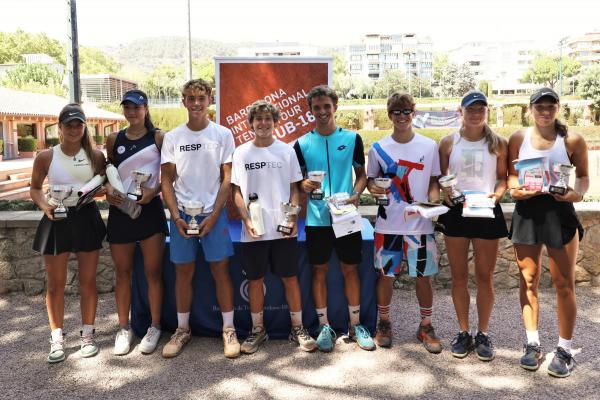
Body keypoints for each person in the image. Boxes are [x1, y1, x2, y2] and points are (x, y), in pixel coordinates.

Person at [508, 87, 588, 378]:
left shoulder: (573, 139)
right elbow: (511, 177)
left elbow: (583, 178)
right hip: (528, 214)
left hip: (560, 215)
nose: (544, 111)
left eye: (550, 106)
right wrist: (516, 191)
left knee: (564, 283)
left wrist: (575, 195)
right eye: (539, 106)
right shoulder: (518, 138)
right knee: (528, 281)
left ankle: (564, 350)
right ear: (530, 109)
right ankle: (533, 344)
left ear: (558, 108)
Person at [160, 79, 239, 359]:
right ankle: (182, 330)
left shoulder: (222, 134)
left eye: (201, 98)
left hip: (213, 214)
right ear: (183, 100)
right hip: (182, 215)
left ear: (209, 100)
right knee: (183, 273)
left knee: (221, 271)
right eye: (190, 98)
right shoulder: (173, 137)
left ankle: (228, 330)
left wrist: (215, 214)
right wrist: (174, 216)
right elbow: (166, 181)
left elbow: (227, 179)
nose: (196, 103)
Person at [231, 100, 317, 353]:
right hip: (254, 230)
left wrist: (291, 218)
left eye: (268, 118)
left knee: (290, 278)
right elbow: (236, 192)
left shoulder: (286, 151)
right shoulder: (241, 153)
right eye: (258, 119)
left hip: (283, 229)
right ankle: (258, 330)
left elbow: (294, 189)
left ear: (275, 122)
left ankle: (297, 328)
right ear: (251, 124)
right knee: (255, 281)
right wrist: (246, 220)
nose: (263, 123)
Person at [294, 85, 375, 352]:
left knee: (350, 269)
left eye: (326, 106)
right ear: (311, 111)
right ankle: (324, 326)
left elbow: (362, 175)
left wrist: (355, 195)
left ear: (335, 107)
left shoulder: (352, 138)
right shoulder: (302, 143)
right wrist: (304, 186)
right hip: (317, 219)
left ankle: (355, 325)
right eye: (316, 107)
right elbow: (298, 182)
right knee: (320, 270)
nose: (322, 112)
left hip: (346, 216)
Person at [367, 92, 443, 353]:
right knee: (386, 277)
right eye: (396, 112)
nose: (402, 117)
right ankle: (384, 322)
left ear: (414, 113)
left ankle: (426, 325)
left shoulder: (429, 146)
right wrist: (373, 188)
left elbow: (434, 181)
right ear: (389, 115)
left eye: (406, 111)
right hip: (388, 225)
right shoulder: (378, 148)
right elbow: (370, 181)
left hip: (420, 226)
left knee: (424, 278)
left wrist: (433, 206)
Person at [30, 103, 106, 363]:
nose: (74, 129)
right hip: (56, 219)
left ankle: (87, 335)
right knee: (55, 284)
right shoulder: (45, 157)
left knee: (87, 281)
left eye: (78, 124)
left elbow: (103, 186)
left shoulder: (95, 156)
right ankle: (57, 338)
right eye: (68, 125)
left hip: (86, 218)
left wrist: (103, 191)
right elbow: (36, 189)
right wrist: (45, 206)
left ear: (84, 127)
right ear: (60, 128)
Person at [437, 90, 508, 360]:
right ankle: (463, 331)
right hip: (457, 213)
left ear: (486, 111)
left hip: (487, 212)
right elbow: (442, 179)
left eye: (481, 109)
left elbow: (503, 179)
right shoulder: (447, 143)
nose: (476, 113)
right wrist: (445, 193)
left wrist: (497, 196)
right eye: (471, 109)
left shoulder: (498, 143)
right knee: (458, 277)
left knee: (485, 277)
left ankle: (483, 332)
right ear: (461, 111)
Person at [105, 90, 168, 355]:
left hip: (150, 211)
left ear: (145, 109)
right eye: (127, 108)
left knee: (153, 272)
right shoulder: (113, 138)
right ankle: (123, 328)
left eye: (137, 107)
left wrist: (154, 192)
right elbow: (107, 171)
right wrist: (109, 189)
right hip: (121, 212)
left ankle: (154, 327)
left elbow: (168, 174)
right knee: (123, 274)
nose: (132, 112)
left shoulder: (159, 137)